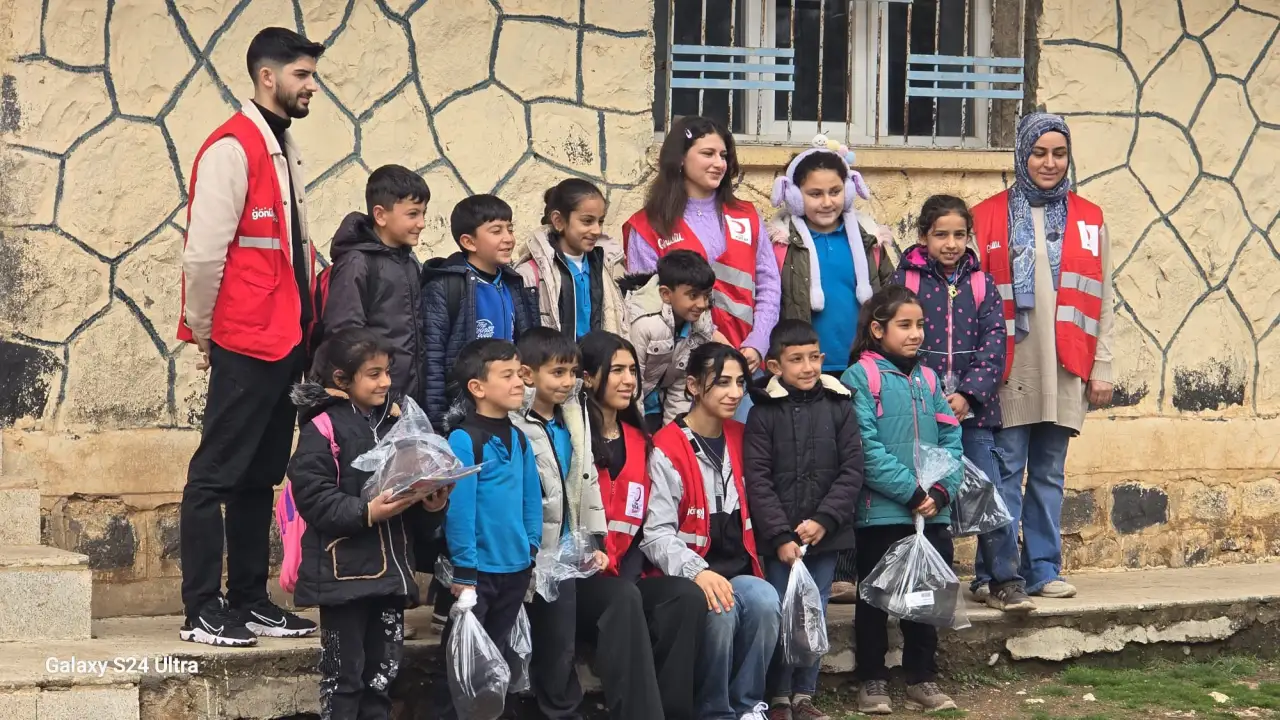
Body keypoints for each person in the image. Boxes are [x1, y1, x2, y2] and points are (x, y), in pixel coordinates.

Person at [176, 26, 325, 646]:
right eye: (301, 75)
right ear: (268, 77)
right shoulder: (232, 148)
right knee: (214, 474)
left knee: (260, 475)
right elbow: (203, 255)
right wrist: (205, 331)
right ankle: (200, 609)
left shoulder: (280, 144)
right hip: (245, 336)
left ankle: (249, 599)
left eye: (312, 75)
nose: (311, 86)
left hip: (285, 337)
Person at [973, 113, 1115, 600]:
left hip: (1068, 364)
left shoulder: (1091, 218)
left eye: (1059, 153)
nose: (1049, 163)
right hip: (1009, 366)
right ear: (1021, 154)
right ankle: (994, 575)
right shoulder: (986, 215)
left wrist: (1102, 366)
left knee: (1049, 473)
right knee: (1005, 471)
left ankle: (1042, 570)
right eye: (1039, 153)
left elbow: (1104, 298)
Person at [286, 329, 449, 720]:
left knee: (382, 677)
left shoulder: (397, 425)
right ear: (342, 379)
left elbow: (409, 497)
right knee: (344, 679)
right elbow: (313, 496)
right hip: (343, 577)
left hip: (390, 578)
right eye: (374, 374)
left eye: (388, 372)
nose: (386, 382)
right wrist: (367, 512)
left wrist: (432, 504)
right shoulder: (322, 428)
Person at [510, 328, 666, 719]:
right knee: (550, 644)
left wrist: (595, 542)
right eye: (558, 373)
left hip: (569, 557)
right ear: (527, 374)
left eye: (572, 373)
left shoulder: (572, 418)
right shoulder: (515, 424)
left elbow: (585, 481)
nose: (568, 382)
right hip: (530, 560)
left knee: (567, 636)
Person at [892, 194, 1031, 613]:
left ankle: (1003, 580)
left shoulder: (981, 284)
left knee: (989, 492)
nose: (950, 244)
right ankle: (931, 581)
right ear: (923, 236)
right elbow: (896, 342)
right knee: (925, 497)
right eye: (941, 235)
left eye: (959, 235)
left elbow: (994, 343)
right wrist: (932, 398)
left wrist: (968, 395)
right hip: (921, 412)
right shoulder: (905, 282)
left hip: (973, 413)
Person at [840, 285, 964, 715]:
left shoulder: (929, 379)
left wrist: (941, 491)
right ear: (878, 330)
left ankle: (922, 677)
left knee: (924, 598)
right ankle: (872, 678)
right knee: (874, 599)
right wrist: (911, 492)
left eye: (920, 325)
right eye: (904, 325)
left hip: (931, 515)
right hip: (882, 513)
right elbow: (865, 449)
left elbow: (951, 440)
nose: (916, 334)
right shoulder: (860, 378)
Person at [643, 342, 781, 720]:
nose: (734, 392)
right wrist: (697, 572)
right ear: (692, 385)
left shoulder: (743, 435)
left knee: (765, 600)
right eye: (722, 382)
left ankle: (748, 704)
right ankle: (714, 710)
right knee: (721, 609)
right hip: (690, 575)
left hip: (739, 570)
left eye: (739, 382)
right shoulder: (666, 446)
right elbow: (656, 534)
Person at [579, 331, 708, 720]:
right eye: (616, 370)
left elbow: (647, 525)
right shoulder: (572, 439)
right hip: (577, 580)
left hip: (624, 576)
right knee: (623, 597)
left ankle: (675, 712)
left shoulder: (641, 441)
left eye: (632, 370)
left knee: (684, 596)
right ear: (587, 377)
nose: (628, 380)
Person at [743, 320, 864, 720]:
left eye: (814, 357)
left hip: (825, 537)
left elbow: (852, 470)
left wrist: (825, 520)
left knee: (815, 611)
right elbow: (758, 479)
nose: (808, 367)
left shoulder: (840, 405)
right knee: (782, 611)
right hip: (781, 542)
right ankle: (778, 696)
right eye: (796, 360)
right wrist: (780, 535)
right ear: (775, 366)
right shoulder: (763, 413)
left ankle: (804, 695)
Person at [623, 115, 780, 378]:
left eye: (723, 155)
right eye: (708, 154)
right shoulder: (648, 225)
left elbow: (769, 284)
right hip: (682, 370)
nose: (719, 163)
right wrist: (711, 338)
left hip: (748, 362)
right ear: (680, 159)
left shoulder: (747, 216)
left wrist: (759, 342)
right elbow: (648, 304)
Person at [439, 338, 542, 719]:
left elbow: (531, 498)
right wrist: (465, 568)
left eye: (520, 374)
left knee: (494, 658)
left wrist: (531, 548)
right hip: (478, 574)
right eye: (507, 375)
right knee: (462, 665)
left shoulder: (519, 437)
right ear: (477, 387)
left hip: (515, 571)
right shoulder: (464, 439)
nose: (519, 383)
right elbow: (460, 509)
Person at [767, 136, 894, 373]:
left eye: (835, 192)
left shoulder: (869, 239)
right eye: (815, 194)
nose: (827, 202)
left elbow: (891, 298)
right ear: (794, 196)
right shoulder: (782, 244)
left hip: (865, 366)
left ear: (848, 190)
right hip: (804, 370)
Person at [421, 195, 541, 429]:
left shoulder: (513, 283)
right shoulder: (446, 286)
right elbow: (433, 358)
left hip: (510, 406)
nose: (508, 238)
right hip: (467, 412)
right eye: (496, 231)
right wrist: (438, 422)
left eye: (510, 229)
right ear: (469, 242)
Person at [322, 164, 430, 405]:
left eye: (424, 213)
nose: (422, 223)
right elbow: (345, 335)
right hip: (372, 399)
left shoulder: (409, 263)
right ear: (380, 215)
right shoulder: (357, 263)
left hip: (407, 396)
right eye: (413, 214)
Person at [514, 179, 628, 341]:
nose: (597, 230)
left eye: (600, 221)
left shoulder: (608, 266)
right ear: (559, 221)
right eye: (587, 221)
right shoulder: (530, 274)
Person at [624, 249, 723, 430]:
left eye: (706, 295)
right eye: (693, 295)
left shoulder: (701, 325)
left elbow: (681, 386)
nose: (702, 304)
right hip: (630, 407)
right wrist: (640, 431)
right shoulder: (646, 324)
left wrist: (672, 435)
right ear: (666, 294)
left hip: (659, 406)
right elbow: (631, 382)